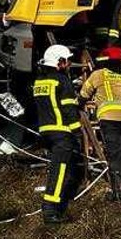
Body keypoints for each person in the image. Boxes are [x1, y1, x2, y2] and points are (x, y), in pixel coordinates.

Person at [33, 44, 85, 224]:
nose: (70, 64)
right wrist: (77, 130)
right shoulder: (62, 81)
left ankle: (53, 204)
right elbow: (69, 108)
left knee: (59, 167)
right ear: (59, 62)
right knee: (60, 169)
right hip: (62, 131)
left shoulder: (39, 81)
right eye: (67, 61)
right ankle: (51, 209)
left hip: (45, 130)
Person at [80, 46, 121, 201]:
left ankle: (119, 192)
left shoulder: (98, 74)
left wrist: (76, 105)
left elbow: (83, 94)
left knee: (114, 153)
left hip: (110, 117)